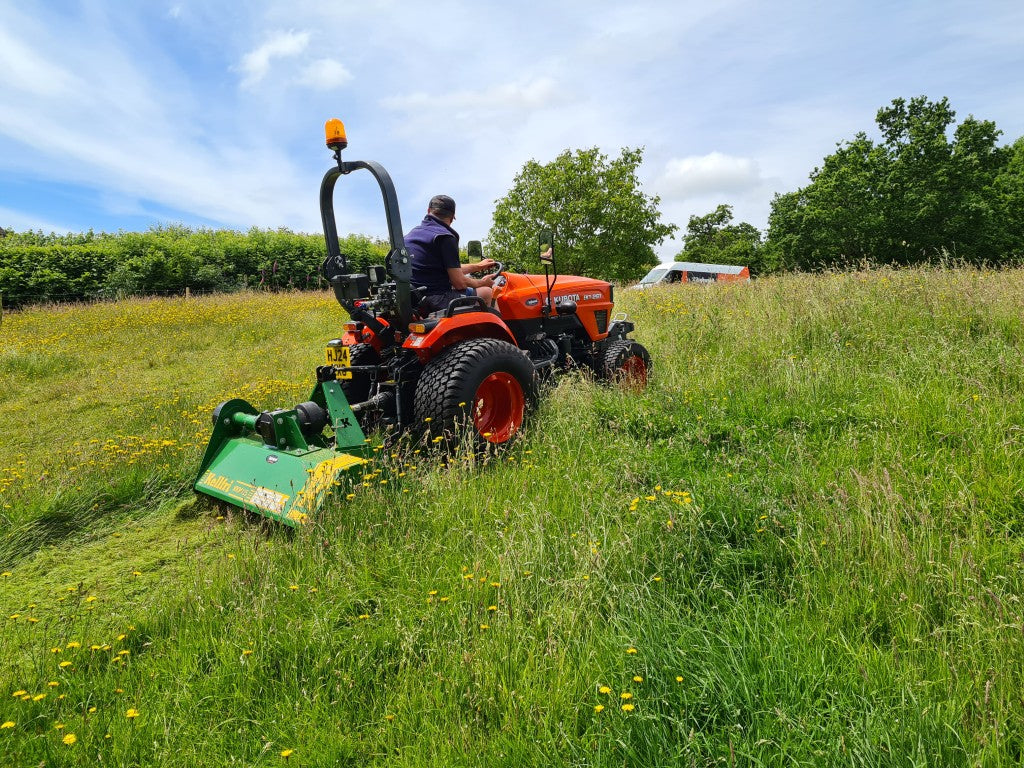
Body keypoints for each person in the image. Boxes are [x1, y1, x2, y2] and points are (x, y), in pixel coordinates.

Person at [405, 194, 496, 314]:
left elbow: (448, 269)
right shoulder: (445, 237)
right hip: (436, 299)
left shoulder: (409, 237)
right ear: (453, 217)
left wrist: (479, 266)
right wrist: (483, 282)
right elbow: (459, 283)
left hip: (413, 299)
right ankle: (498, 332)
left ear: (428, 211)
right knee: (486, 292)